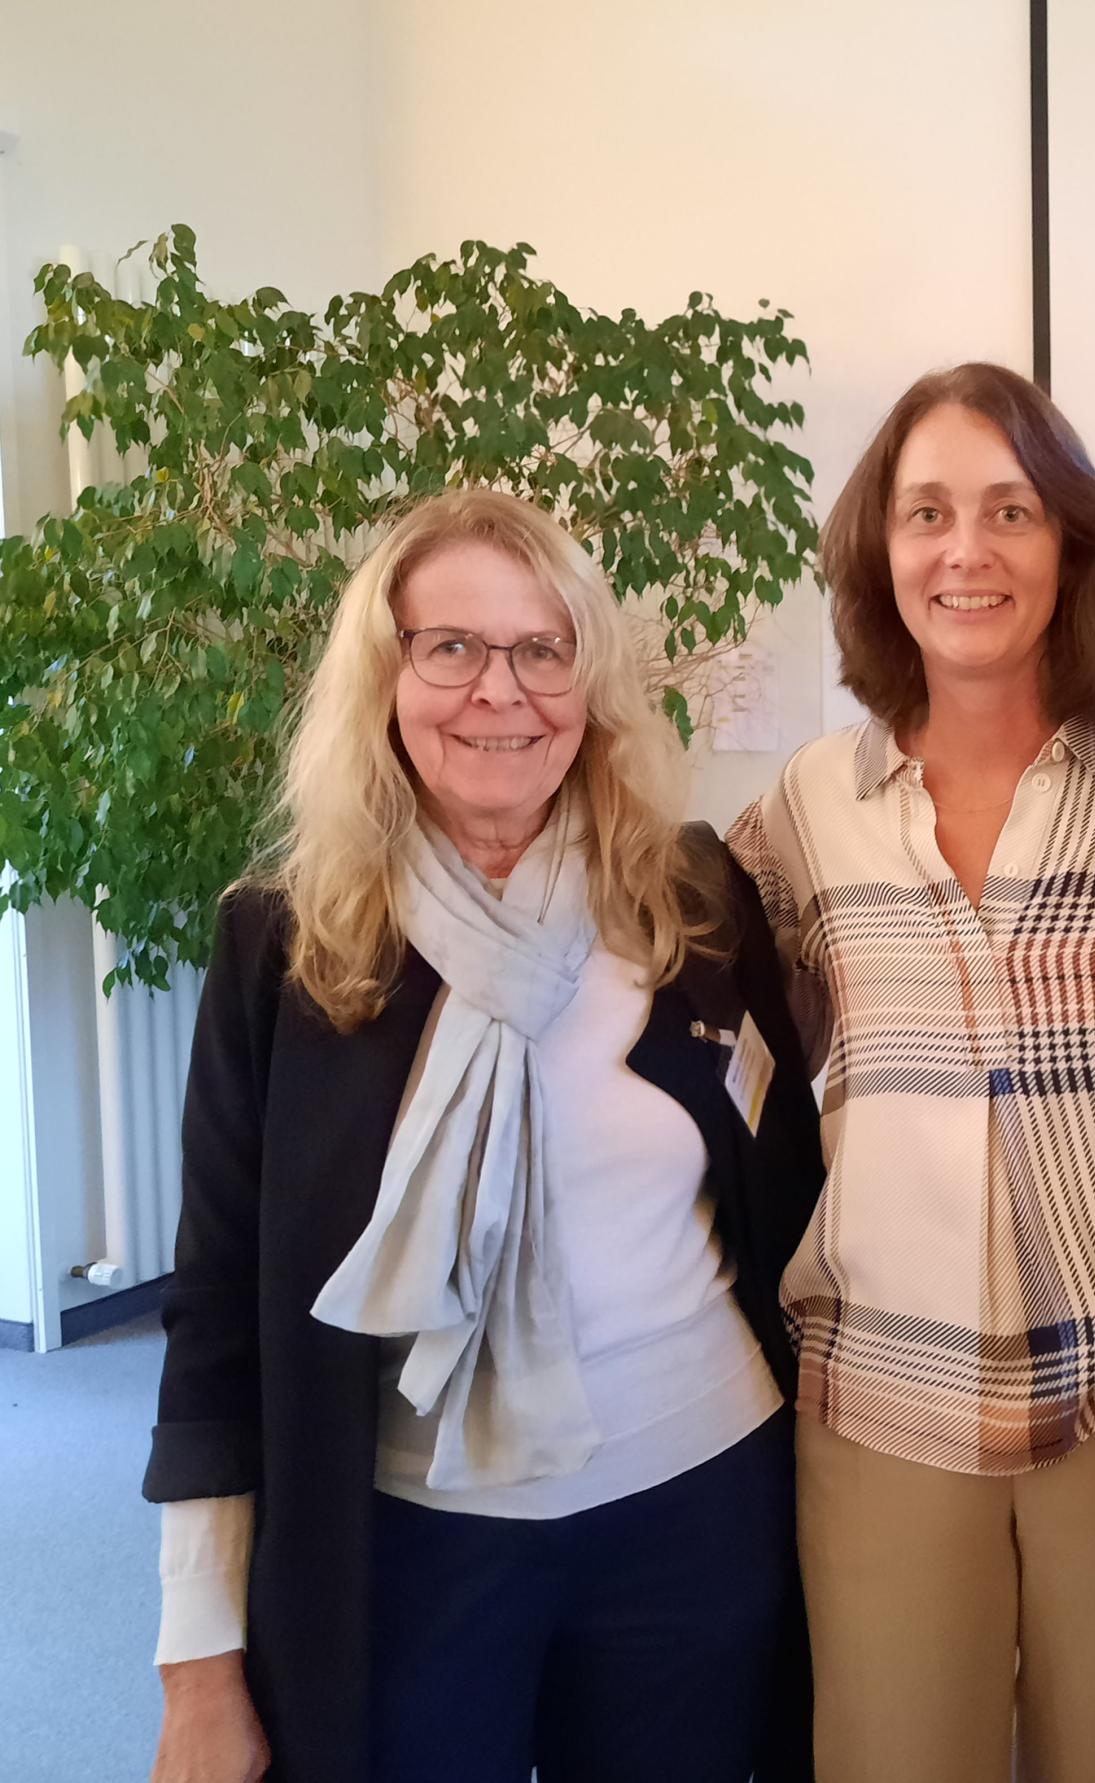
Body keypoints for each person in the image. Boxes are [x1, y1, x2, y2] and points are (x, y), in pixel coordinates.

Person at [145, 487, 822, 1783]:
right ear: (384, 678)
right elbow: (219, 1310)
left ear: (590, 684)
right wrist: (199, 1657)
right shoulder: (288, 942)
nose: (500, 692)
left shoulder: (689, 898)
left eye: (541, 649)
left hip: (697, 1510)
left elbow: (784, 1196)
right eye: (450, 646)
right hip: (410, 1541)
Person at [728, 362, 1095, 1783]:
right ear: (879, 548)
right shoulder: (805, 809)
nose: (966, 550)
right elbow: (731, 1072)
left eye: (1011, 510)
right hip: (881, 1396)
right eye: (927, 513)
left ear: (1071, 543)